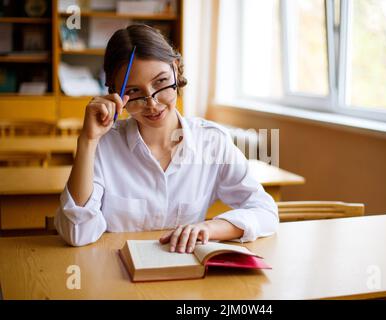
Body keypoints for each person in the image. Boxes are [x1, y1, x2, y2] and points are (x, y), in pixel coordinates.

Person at [55, 24, 278, 252]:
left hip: (185, 276)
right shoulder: (103, 145)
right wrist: (87, 141)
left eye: (161, 82)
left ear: (176, 69)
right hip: (117, 276)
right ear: (115, 94)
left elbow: (265, 212)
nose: (152, 103)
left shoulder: (211, 142)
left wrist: (209, 228)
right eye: (133, 92)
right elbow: (77, 233)